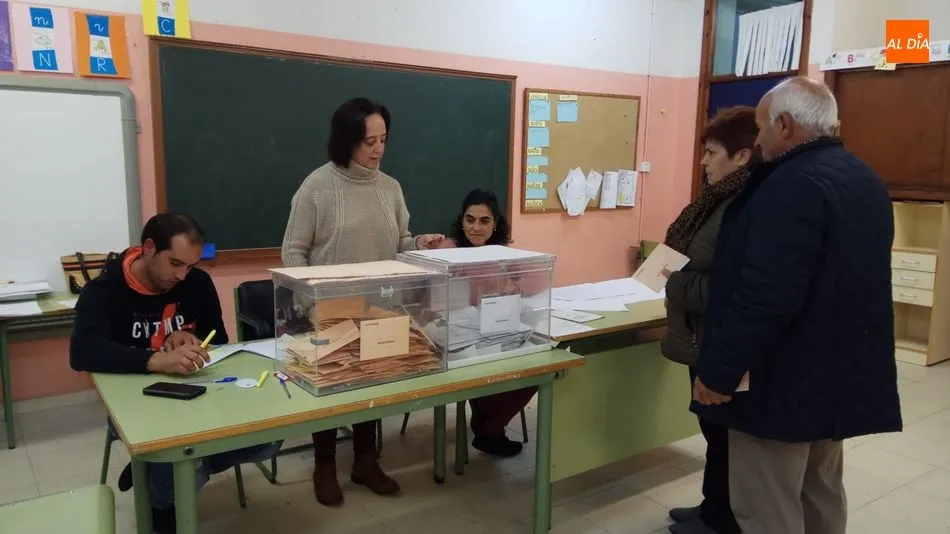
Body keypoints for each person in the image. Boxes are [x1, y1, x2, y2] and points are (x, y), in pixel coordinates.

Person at [692, 76, 902, 534]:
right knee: (820, 492)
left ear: (784, 125)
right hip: (837, 377)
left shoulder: (787, 186)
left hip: (782, 382)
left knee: (766, 503)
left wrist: (720, 371)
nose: (758, 140)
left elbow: (765, 295)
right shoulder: (863, 178)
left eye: (761, 128)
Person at [70, 212, 282, 533]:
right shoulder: (104, 290)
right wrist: (155, 360)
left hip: (197, 393)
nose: (182, 276)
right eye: (175, 264)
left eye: (190, 266)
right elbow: (83, 352)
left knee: (268, 439)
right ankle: (165, 492)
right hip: (133, 404)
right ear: (149, 248)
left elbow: (218, 339)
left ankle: (161, 473)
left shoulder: (197, 283)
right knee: (176, 455)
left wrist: (191, 338)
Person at [281, 97, 443, 507]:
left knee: (374, 378)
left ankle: (365, 461)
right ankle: (324, 465)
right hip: (328, 308)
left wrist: (420, 243)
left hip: (379, 305)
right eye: (369, 141)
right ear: (346, 140)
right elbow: (293, 251)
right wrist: (311, 300)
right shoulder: (317, 186)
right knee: (331, 384)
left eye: (383, 139)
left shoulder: (390, 188)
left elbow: (400, 242)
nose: (378, 149)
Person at [660, 106, 757, 534]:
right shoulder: (715, 201)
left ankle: (721, 519)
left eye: (712, 152)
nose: (702, 161)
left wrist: (675, 284)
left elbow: (731, 285)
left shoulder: (743, 206)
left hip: (719, 336)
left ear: (742, 156)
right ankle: (711, 507)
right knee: (713, 428)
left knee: (723, 432)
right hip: (700, 335)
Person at [437, 189, 536, 458]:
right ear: (461, 221)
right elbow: (434, 299)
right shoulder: (448, 251)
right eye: (470, 220)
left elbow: (529, 287)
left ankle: (488, 421)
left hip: (494, 333)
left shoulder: (504, 254)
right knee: (490, 368)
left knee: (536, 370)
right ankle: (490, 429)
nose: (476, 227)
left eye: (484, 221)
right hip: (456, 338)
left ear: (495, 224)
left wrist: (516, 289)